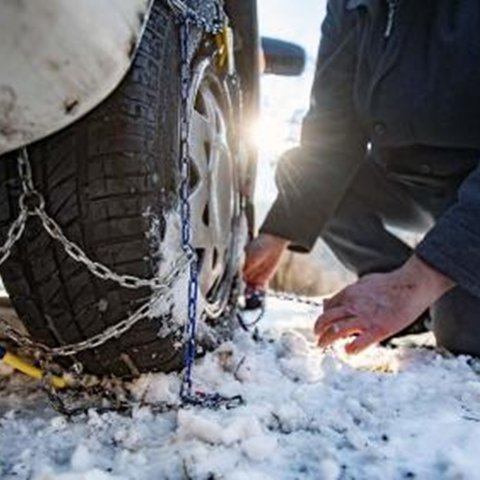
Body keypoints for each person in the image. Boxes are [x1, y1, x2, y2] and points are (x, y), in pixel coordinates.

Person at [243, 0, 480, 356]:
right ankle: (394, 284)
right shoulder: (349, 6)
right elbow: (333, 130)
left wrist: (419, 280)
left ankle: (424, 293)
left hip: (471, 186)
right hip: (401, 180)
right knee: (299, 173)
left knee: (463, 331)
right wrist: (279, 231)